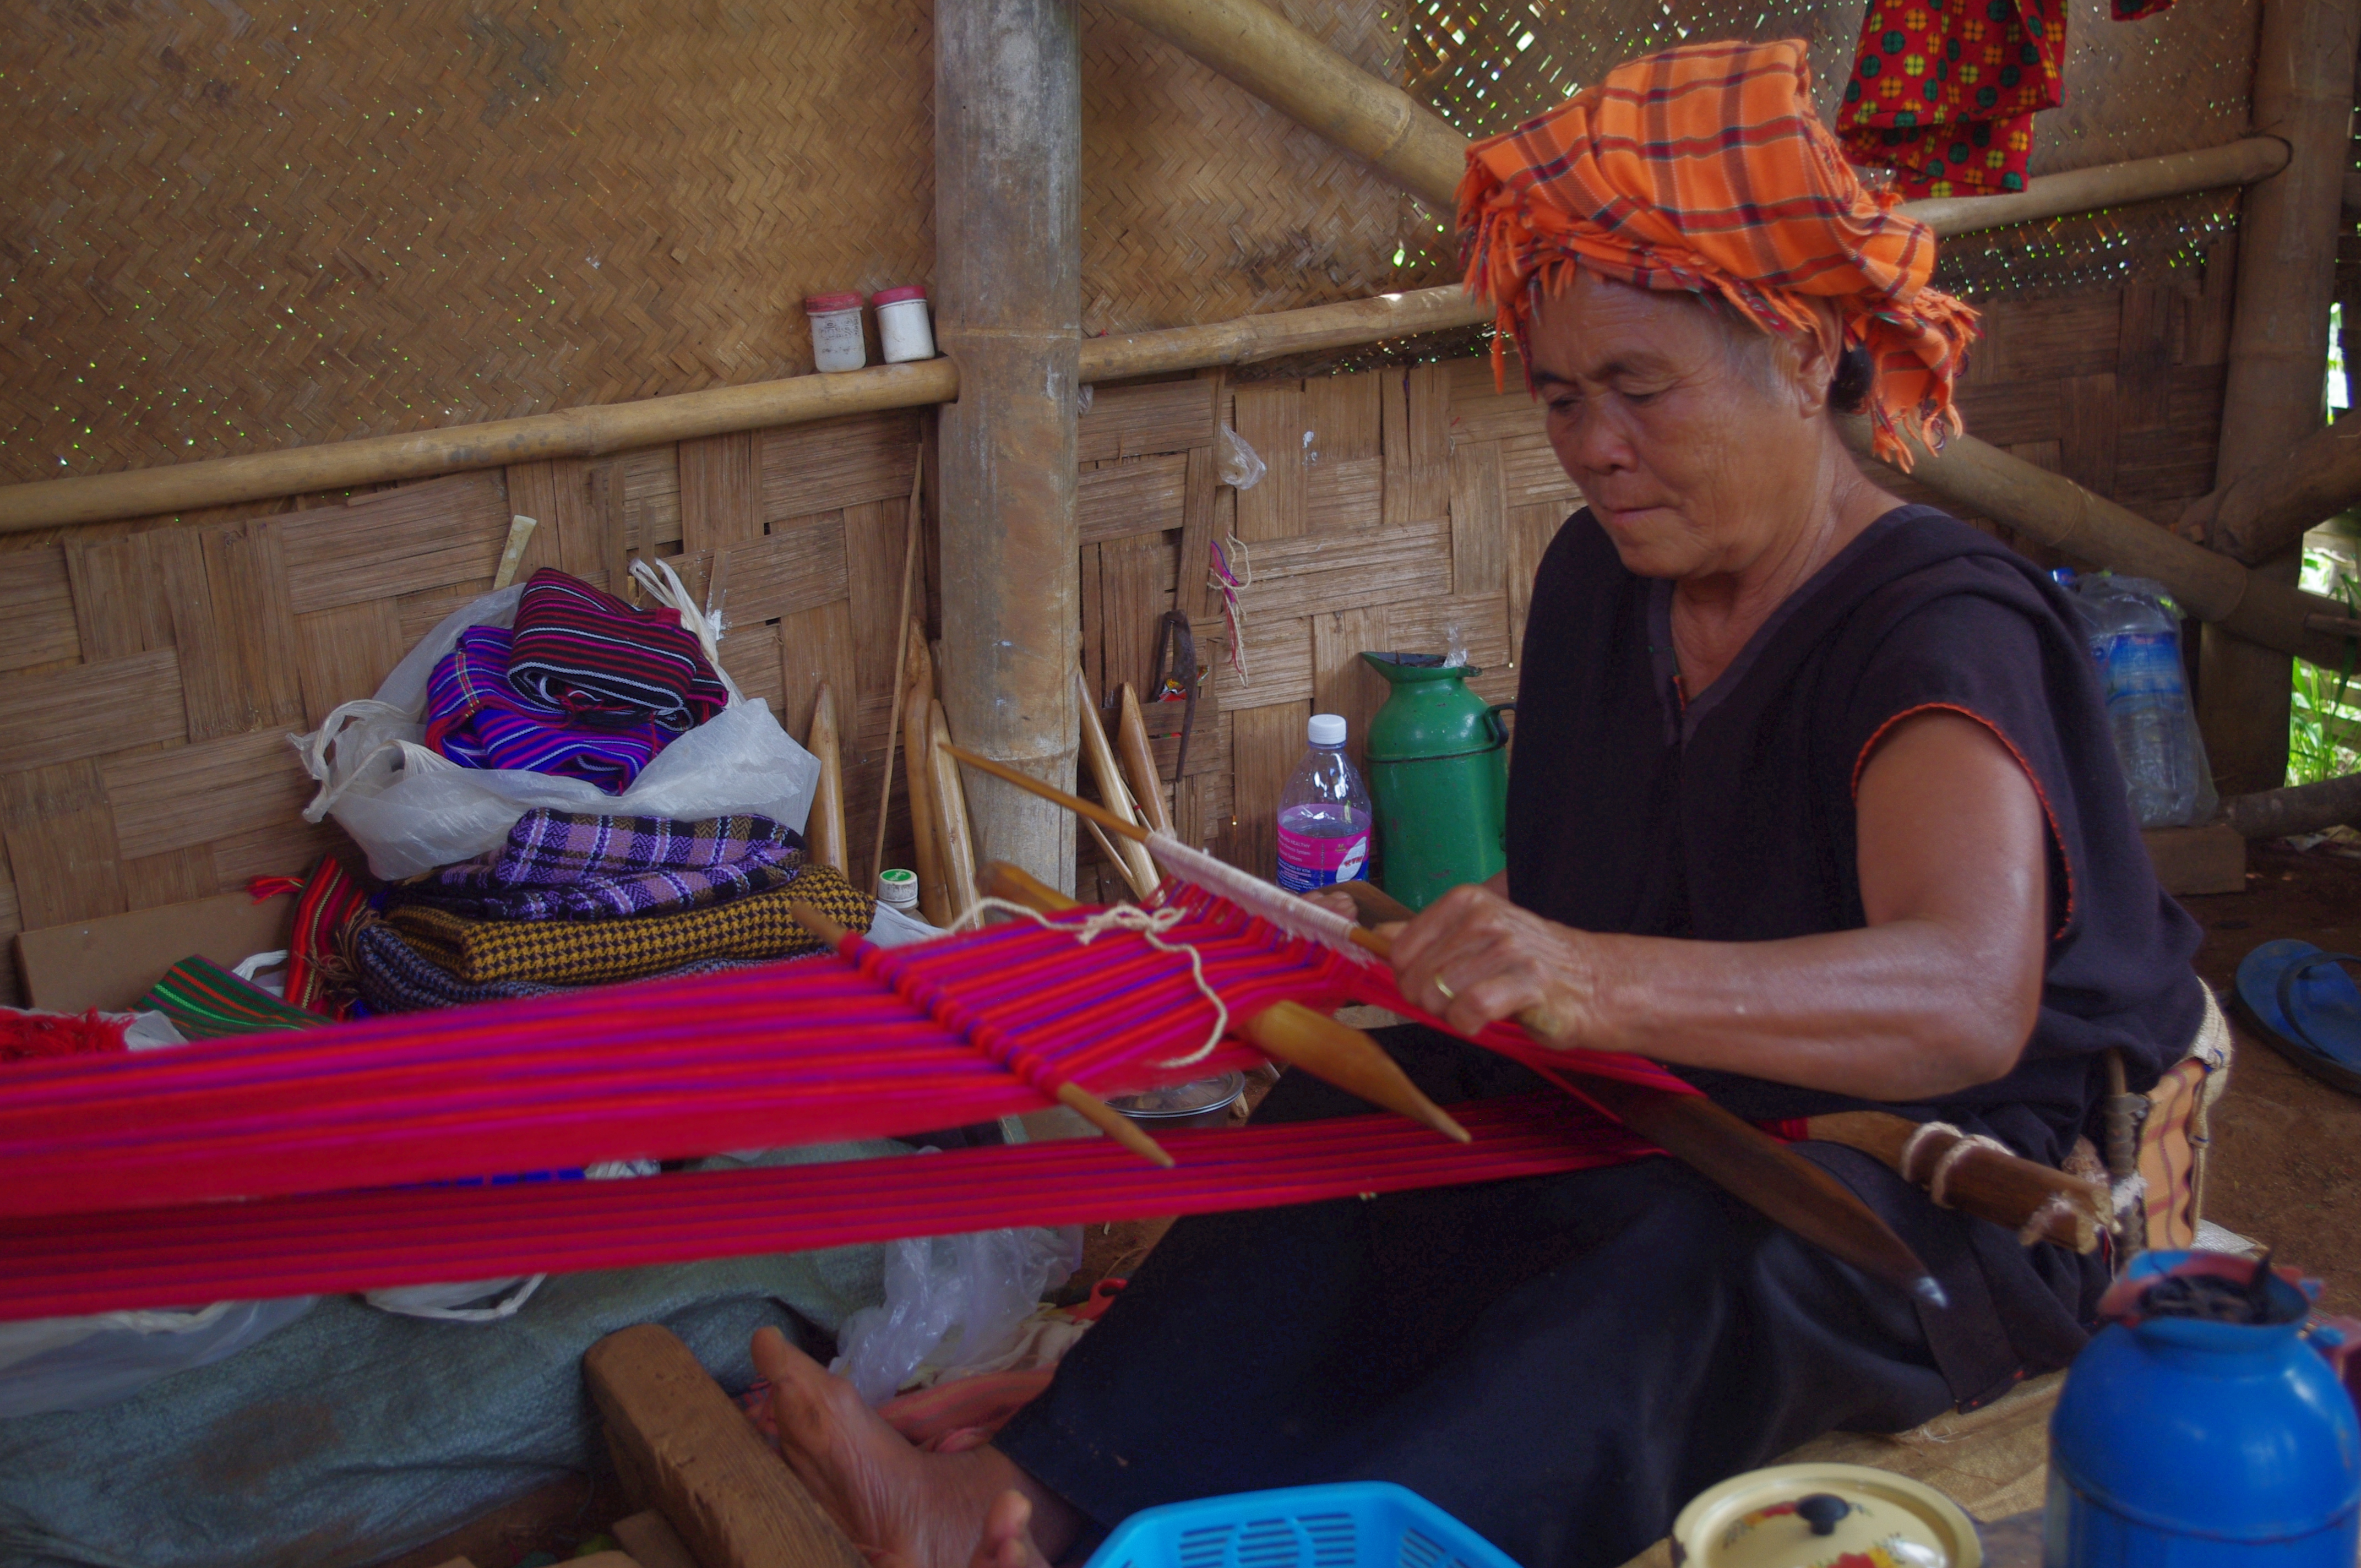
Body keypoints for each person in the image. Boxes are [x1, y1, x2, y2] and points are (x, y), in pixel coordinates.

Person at [750, 37, 2210, 1568]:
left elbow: (1967, 1000)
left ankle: (1305, 1550)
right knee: (1361, 1123)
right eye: (1564, 398)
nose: (1594, 448)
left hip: (1948, 1186)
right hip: (1679, 1096)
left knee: (1683, 1263)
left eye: (1639, 390)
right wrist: (1474, 970)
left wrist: (1592, 976)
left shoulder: (1935, 627)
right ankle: (1024, 1499)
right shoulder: (1602, 583)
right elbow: (1602, 905)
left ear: (1802, 352)